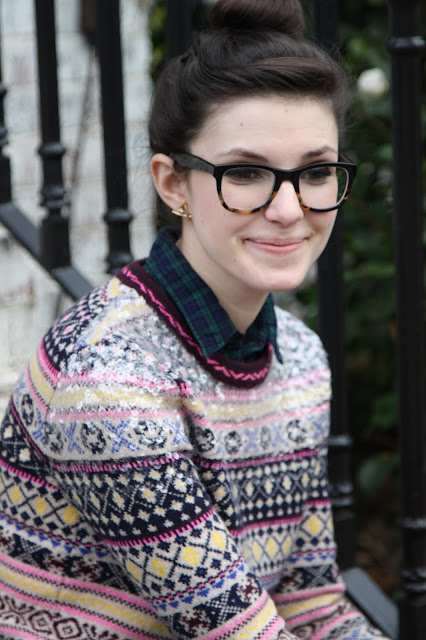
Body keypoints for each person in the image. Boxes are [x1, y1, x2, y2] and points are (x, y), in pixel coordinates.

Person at [0, 1, 390, 639]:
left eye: (315, 172)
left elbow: (311, 602)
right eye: (245, 172)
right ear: (173, 183)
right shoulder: (106, 379)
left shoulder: (298, 353)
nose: (290, 209)